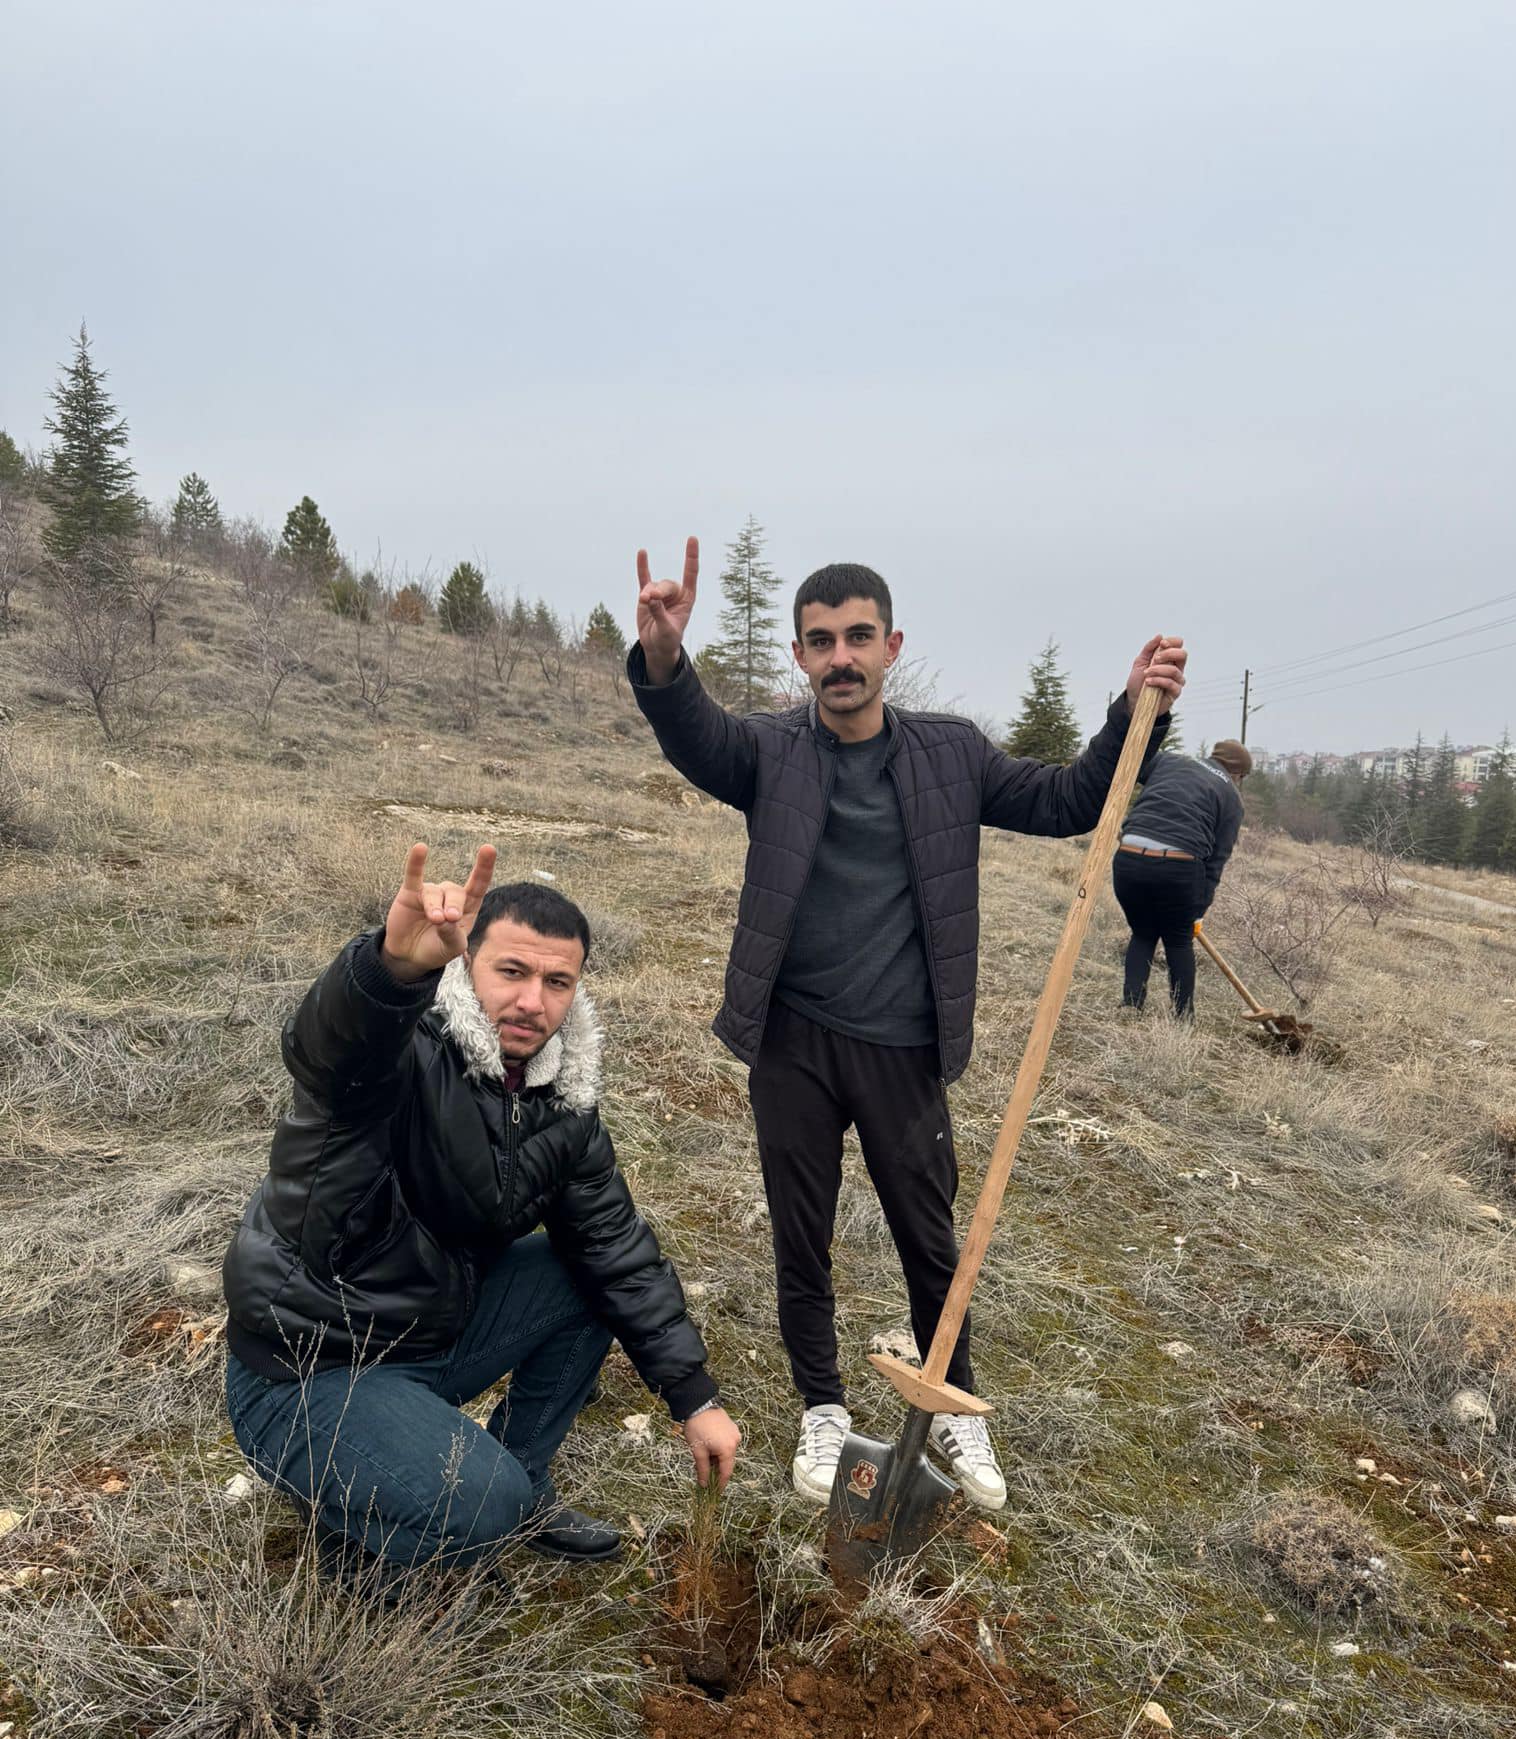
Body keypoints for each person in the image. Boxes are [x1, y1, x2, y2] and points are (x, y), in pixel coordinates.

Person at [628, 539, 1185, 1510]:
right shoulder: (769, 753)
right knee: (801, 1236)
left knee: (932, 1241)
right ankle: (823, 1408)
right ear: (800, 659)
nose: (841, 657)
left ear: (892, 644)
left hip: (903, 1047)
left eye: (858, 637)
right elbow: (694, 737)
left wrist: (1135, 713)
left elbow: (1066, 800)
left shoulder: (951, 754)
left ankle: (954, 1410)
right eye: (820, 642)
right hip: (792, 1040)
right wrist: (668, 659)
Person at [223, 840, 740, 1591]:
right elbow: (330, 1050)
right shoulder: (403, 1052)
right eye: (513, 971)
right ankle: (365, 1534)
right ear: (467, 965)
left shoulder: (560, 1102)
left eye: (557, 981)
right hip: (308, 1369)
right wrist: (392, 972)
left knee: (584, 1276)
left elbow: (615, 1248)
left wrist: (696, 1399)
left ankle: (521, 1488)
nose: (534, 1000)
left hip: (425, 1338)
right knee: (475, 1506)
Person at [1112, 738, 1250, 1018]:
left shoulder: (1167, 760)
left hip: (1128, 859)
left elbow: (1130, 764)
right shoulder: (1231, 797)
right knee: (1178, 940)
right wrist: (1198, 910)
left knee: (1143, 932)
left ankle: (1131, 1005)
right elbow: (1216, 860)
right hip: (1178, 868)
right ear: (1237, 773)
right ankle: (1183, 1017)